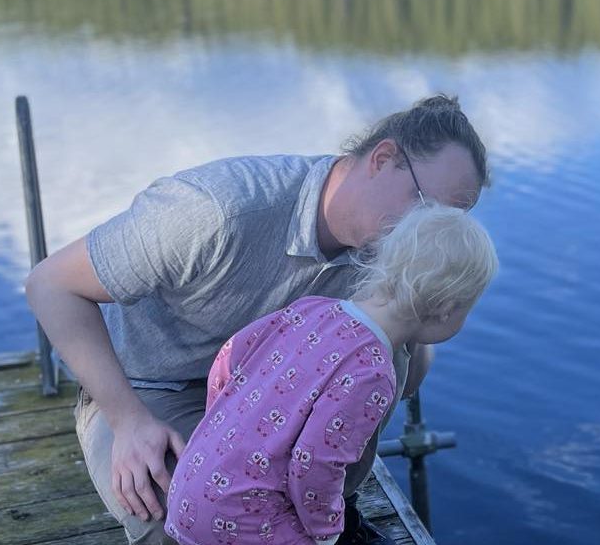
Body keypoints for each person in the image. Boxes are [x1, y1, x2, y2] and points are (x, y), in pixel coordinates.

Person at [25, 95, 490, 544]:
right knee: (180, 516)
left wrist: (421, 315)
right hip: (148, 388)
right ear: (383, 158)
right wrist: (127, 420)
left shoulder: (393, 258)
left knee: (383, 361)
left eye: (450, 221)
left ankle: (334, 516)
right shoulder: (217, 208)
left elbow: (404, 387)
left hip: (259, 392)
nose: (430, 232)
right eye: (428, 208)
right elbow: (50, 285)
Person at [165, 202, 497, 544]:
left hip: (190, 489)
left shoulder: (313, 309)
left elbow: (229, 357)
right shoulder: (374, 373)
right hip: (243, 516)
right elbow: (314, 465)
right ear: (446, 310)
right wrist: (327, 533)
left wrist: (222, 430)